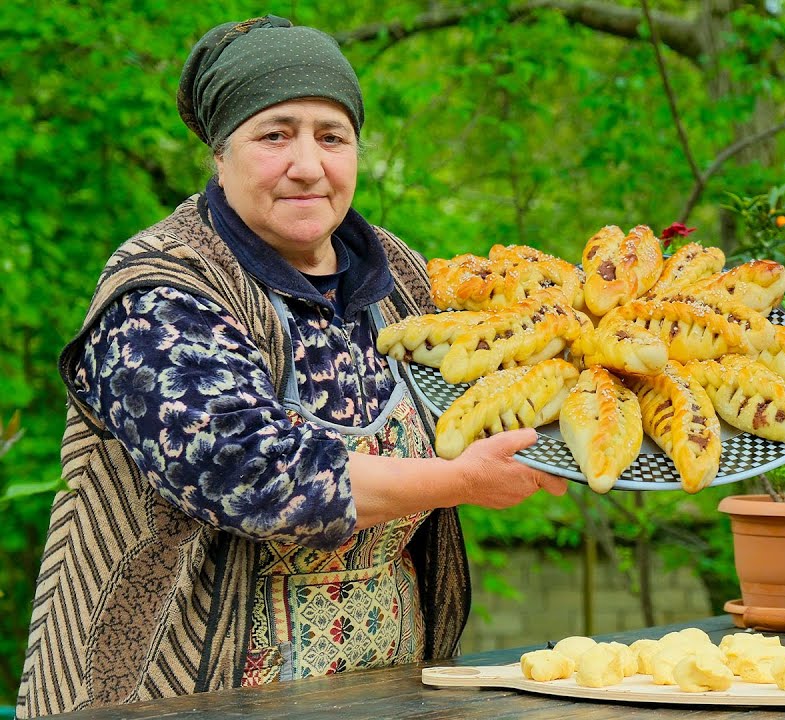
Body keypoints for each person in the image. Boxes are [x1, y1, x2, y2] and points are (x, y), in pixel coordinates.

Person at [15, 16, 567, 717]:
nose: (308, 163)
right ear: (221, 155)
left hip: (379, 686)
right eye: (275, 134)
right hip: (178, 690)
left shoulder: (399, 275)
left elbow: (497, 386)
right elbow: (249, 474)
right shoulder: (163, 289)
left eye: (331, 136)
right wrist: (461, 481)